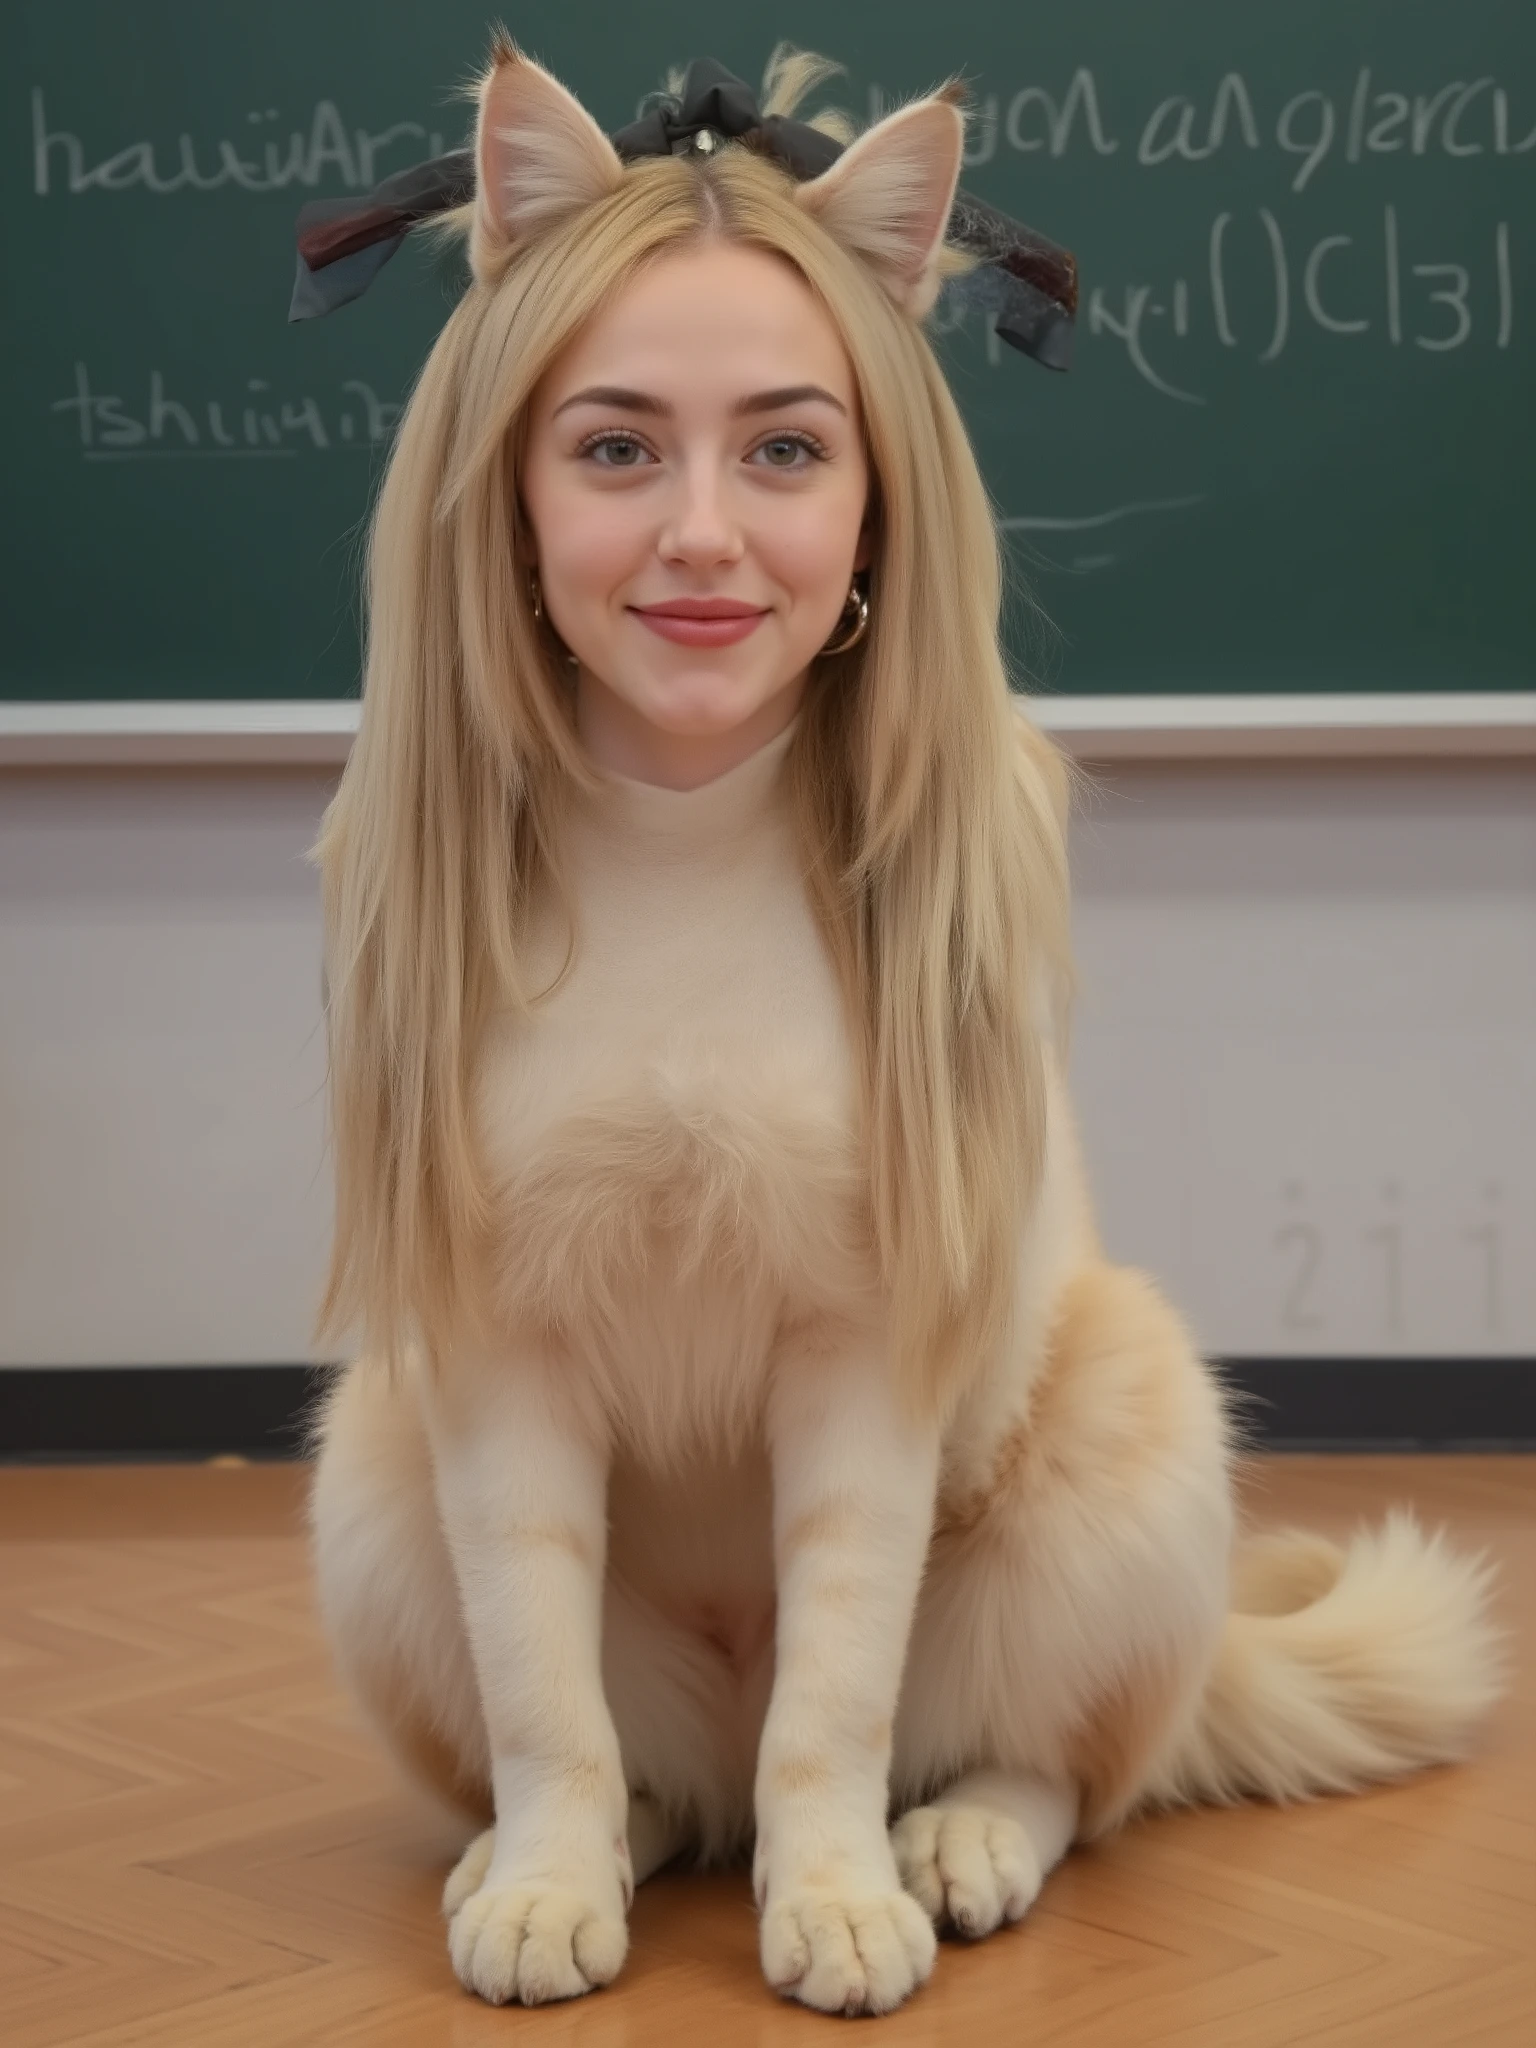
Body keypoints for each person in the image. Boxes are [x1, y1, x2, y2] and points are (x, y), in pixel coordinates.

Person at [303, 37, 1502, 2018]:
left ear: (878, 503)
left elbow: (879, 1377)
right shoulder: (418, 860)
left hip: (949, 1573)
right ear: (506, 487)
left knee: (1143, 1427)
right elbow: (502, 1375)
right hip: (616, 1644)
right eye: (616, 449)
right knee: (380, 1459)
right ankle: (599, 1804)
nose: (704, 532)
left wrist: (832, 1818)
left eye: (785, 450)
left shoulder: (960, 843)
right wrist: (551, 1802)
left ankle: (1011, 1778)